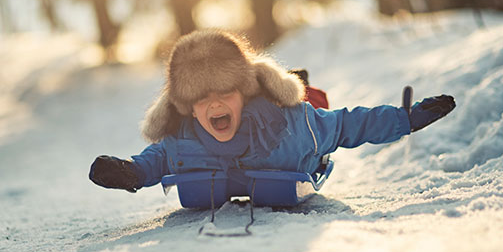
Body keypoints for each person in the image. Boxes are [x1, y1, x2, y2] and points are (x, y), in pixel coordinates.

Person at [89, 30, 455, 193]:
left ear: (245, 93)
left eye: (225, 92)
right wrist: (131, 172)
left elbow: (348, 125)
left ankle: (301, 84)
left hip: (298, 144)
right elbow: (157, 159)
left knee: (312, 105)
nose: (215, 104)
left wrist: (405, 119)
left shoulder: (293, 127)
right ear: (186, 108)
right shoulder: (183, 139)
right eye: (202, 99)